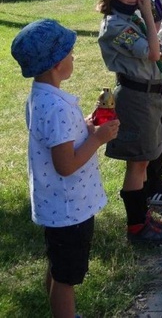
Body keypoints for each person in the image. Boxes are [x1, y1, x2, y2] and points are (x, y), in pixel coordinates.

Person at [11, 19, 119, 318]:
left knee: (58, 266)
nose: (73, 58)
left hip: (57, 206)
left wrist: (84, 126)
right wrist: (97, 138)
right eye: (70, 54)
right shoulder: (56, 107)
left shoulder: (41, 97)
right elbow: (66, 164)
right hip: (69, 208)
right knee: (66, 278)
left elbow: (58, 141)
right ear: (57, 63)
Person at [97, 0, 162, 243]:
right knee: (138, 161)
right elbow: (152, 54)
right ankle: (136, 227)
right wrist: (146, 12)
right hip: (135, 98)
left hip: (149, 92)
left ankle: (143, 217)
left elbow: (156, 53)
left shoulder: (130, 17)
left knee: (145, 160)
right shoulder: (116, 26)